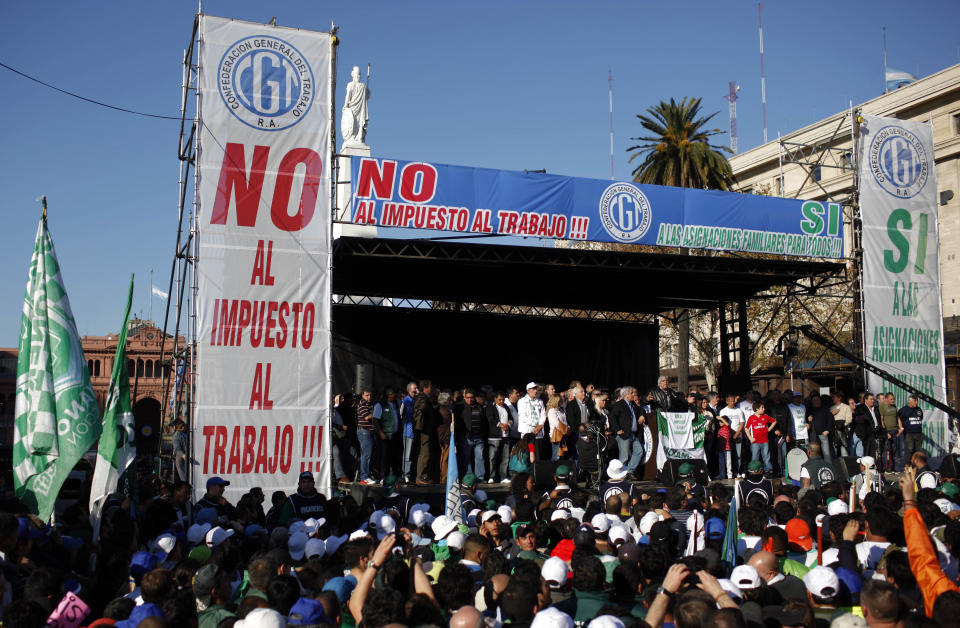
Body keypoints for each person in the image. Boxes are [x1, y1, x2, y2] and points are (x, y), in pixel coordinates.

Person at [610, 386, 643, 480]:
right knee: (624, 457)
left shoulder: (632, 404)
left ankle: (629, 471)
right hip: (624, 435)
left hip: (633, 434)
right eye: (631, 393)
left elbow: (641, 409)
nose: (634, 395)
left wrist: (641, 415)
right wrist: (617, 430)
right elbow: (612, 417)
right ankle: (619, 475)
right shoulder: (619, 404)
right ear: (626, 395)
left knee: (639, 451)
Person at [413, 379, 437, 485]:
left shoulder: (424, 398)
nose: (431, 389)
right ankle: (420, 477)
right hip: (424, 430)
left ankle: (424, 476)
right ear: (425, 388)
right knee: (424, 454)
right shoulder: (422, 398)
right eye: (430, 387)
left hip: (427, 429)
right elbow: (420, 408)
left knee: (427, 453)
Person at [486, 390, 513, 484]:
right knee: (492, 457)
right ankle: (491, 476)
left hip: (506, 436)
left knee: (505, 457)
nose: (501, 402)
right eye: (499, 400)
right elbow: (490, 419)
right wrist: (501, 425)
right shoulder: (490, 407)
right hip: (494, 436)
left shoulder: (506, 407)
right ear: (495, 399)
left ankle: (503, 476)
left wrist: (508, 425)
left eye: (502, 400)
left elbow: (511, 419)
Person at [744, 401, 776, 473]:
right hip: (755, 442)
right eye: (762, 407)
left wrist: (769, 429)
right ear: (757, 409)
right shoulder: (751, 418)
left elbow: (774, 421)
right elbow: (746, 429)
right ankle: (754, 471)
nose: (764, 409)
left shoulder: (765, 416)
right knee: (755, 457)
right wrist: (750, 438)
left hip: (765, 441)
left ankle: (768, 470)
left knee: (766, 457)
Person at [718, 394, 743, 479]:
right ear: (727, 401)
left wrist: (736, 434)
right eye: (731, 401)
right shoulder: (723, 411)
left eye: (734, 401)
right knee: (728, 457)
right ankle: (726, 473)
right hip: (727, 436)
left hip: (737, 435)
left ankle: (737, 472)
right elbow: (722, 423)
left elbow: (742, 423)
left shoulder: (739, 410)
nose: (733, 403)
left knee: (738, 456)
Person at [806, 394, 835, 464]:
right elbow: (805, 421)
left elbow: (830, 420)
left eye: (817, 400)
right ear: (812, 401)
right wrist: (808, 420)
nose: (816, 401)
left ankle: (828, 468)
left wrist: (827, 430)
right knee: (815, 454)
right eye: (814, 400)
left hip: (823, 435)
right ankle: (816, 467)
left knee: (826, 454)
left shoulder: (825, 409)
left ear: (820, 400)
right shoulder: (809, 409)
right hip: (813, 435)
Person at [356, 388, 376, 485]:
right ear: (362, 395)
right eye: (367, 395)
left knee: (370, 454)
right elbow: (367, 417)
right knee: (366, 454)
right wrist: (377, 413)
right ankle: (364, 477)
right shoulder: (362, 404)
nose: (369, 397)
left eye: (370, 395)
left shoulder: (370, 404)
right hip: (364, 431)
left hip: (370, 431)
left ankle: (368, 475)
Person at [879, 392, 903, 472]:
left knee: (894, 449)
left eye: (893, 399)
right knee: (887, 450)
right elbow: (881, 420)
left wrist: (900, 428)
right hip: (888, 431)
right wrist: (885, 432)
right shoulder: (882, 406)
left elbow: (898, 417)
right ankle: (887, 468)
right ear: (886, 399)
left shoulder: (894, 406)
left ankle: (894, 468)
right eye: (891, 399)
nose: (893, 401)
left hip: (895, 430)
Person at [547, 393, 569, 461]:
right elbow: (557, 424)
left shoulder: (561, 410)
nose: (562, 402)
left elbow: (565, 421)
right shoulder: (552, 411)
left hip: (563, 435)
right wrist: (566, 429)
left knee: (562, 456)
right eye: (560, 400)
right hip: (556, 436)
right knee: (556, 456)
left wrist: (568, 427)